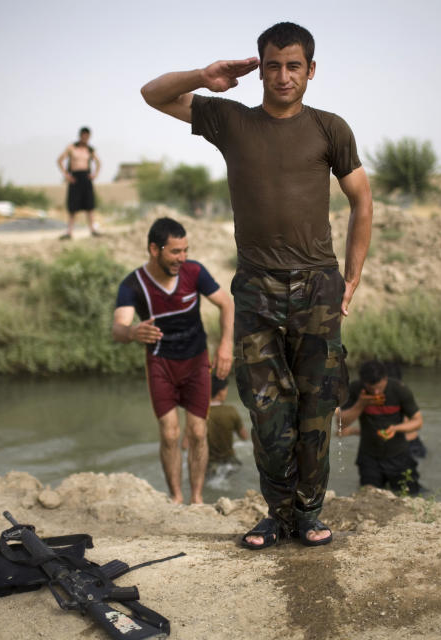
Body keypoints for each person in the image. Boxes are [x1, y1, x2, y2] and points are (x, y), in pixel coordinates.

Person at [141, 21, 373, 549]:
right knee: (267, 411)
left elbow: (363, 200)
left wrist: (352, 276)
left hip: (318, 285)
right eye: (273, 65)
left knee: (316, 408)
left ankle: (310, 514)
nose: (283, 76)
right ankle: (277, 512)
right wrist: (205, 76)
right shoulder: (230, 120)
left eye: (294, 66)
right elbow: (153, 95)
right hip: (256, 289)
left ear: (311, 70)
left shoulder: (330, 128)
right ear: (260, 67)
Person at [112, 217, 233, 505]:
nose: (182, 258)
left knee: (198, 430)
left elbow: (226, 303)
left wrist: (226, 344)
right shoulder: (133, 284)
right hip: (160, 364)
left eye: (185, 251)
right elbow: (118, 328)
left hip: (196, 363)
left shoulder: (194, 272)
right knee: (169, 434)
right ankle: (176, 498)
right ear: (154, 249)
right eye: (175, 252)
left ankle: (197, 499)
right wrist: (132, 332)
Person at [337, 360, 424, 496]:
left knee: (409, 496)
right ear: (363, 382)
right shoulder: (356, 389)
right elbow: (341, 423)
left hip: (398, 455)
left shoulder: (399, 389)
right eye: (371, 388)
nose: (376, 392)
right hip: (369, 456)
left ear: (385, 378)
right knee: (368, 496)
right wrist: (361, 404)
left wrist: (395, 429)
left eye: (379, 387)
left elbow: (418, 422)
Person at [56, 126, 102, 238]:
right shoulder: (72, 148)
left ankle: (92, 230)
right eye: (84, 136)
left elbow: (98, 163)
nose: (85, 138)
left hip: (86, 178)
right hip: (75, 178)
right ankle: (69, 232)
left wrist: (94, 174)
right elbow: (60, 160)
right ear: (80, 136)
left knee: (89, 206)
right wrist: (67, 175)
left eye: (87, 136)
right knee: (73, 206)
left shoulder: (90, 150)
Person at [205, 373, 249, 476]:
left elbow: (186, 445)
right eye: (226, 389)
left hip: (209, 463)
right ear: (221, 392)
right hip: (229, 462)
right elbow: (244, 437)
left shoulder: (201, 413)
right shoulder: (231, 411)